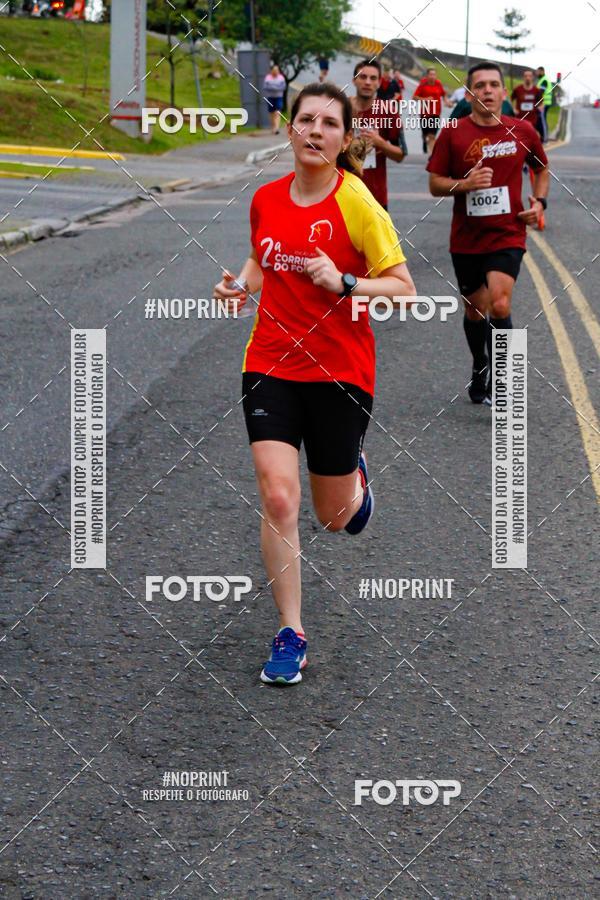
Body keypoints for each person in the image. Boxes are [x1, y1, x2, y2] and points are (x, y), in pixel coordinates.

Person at [212, 82, 416, 685]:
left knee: (335, 517)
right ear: (290, 129)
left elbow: (404, 289)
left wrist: (345, 282)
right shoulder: (266, 198)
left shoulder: (358, 205)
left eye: (330, 124)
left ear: (345, 138)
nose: (315, 131)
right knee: (278, 497)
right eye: (306, 120)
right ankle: (291, 632)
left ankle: (355, 477)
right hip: (270, 364)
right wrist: (241, 285)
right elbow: (259, 257)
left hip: (339, 373)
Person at [427, 62, 549, 405]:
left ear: (503, 92)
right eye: (480, 85)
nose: (488, 91)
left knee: (499, 302)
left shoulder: (523, 131)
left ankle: (502, 375)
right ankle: (480, 364)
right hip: (466, 238)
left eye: (494, 84)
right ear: (469, 94)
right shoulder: (453, 132)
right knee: (475, 310)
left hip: (507, 233)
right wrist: (465, 184)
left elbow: (541, 169)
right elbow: (435, 184)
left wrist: (539, 202)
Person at [351, 58, 405, 210]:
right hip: (344, 197)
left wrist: (379, 141)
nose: (367, 82)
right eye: (362, 77)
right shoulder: (341, 109)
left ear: (379, 83)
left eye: (373, 78)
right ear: (354, 80)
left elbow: (401, 154)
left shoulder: (389, 111)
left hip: (375, 199)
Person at [413, 67, 449, 155]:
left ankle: (431, 155)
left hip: (436, 114)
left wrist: (446, 101)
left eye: (434, 74)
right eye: (431, 74)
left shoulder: (438, 83)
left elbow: (443, 94)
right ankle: (425, 142)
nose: (432, 76)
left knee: (432, 136)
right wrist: (425, 99)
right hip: (425, 114)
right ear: (427, 75)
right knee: (425, 135)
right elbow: (414, 97)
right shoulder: (423, 84)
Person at [511, 69, 545, 141]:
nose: (527, 78)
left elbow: (541, 103)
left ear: (532, 77)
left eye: (529, 76)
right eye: (526, 76)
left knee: (531, 141)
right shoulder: (518, 89)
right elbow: (511, 99)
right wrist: (513, 109)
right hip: (520, 120)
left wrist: (540, 108)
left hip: (532, 121)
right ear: (523, 77)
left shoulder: (536, 91)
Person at [263, 64, 286, 134]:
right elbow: (266, 87)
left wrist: (273, 87)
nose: (276, 71)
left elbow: (283, 87)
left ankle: (276, 128)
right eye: (274, 70)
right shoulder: (268, 77)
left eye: (277, 70)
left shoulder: (281, 78)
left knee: (277, 112)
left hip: (279, 97)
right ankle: (273, 126)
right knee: (271, 113)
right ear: (271, 71)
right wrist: (276, 87)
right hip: (270, 97)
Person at [535, 66, 553, 141]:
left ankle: (545, 138)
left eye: (538, 72)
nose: (537, 73)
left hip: (544, 103)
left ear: (542, 71)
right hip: (543, 103)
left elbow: (541, 92)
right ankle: (543, 137)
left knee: (542, 120)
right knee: (541, 120)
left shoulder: (544, 80)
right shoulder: (541, 80)